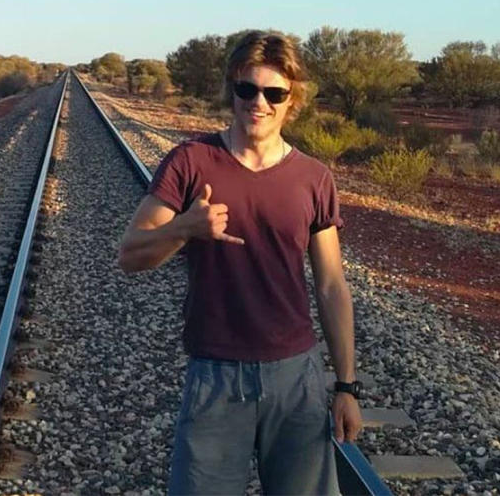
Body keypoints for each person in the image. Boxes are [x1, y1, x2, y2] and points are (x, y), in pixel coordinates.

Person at [117, 30, 362, 495]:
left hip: (296, 379)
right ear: (231, 87)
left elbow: (331, 286)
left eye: (275, 93)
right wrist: (185, 229)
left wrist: (347, 387)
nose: (259, 103)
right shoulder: (190, 162)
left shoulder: (314, 178)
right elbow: (130, 254)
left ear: (293, 100)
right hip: (215, 375)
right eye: (248, 89)